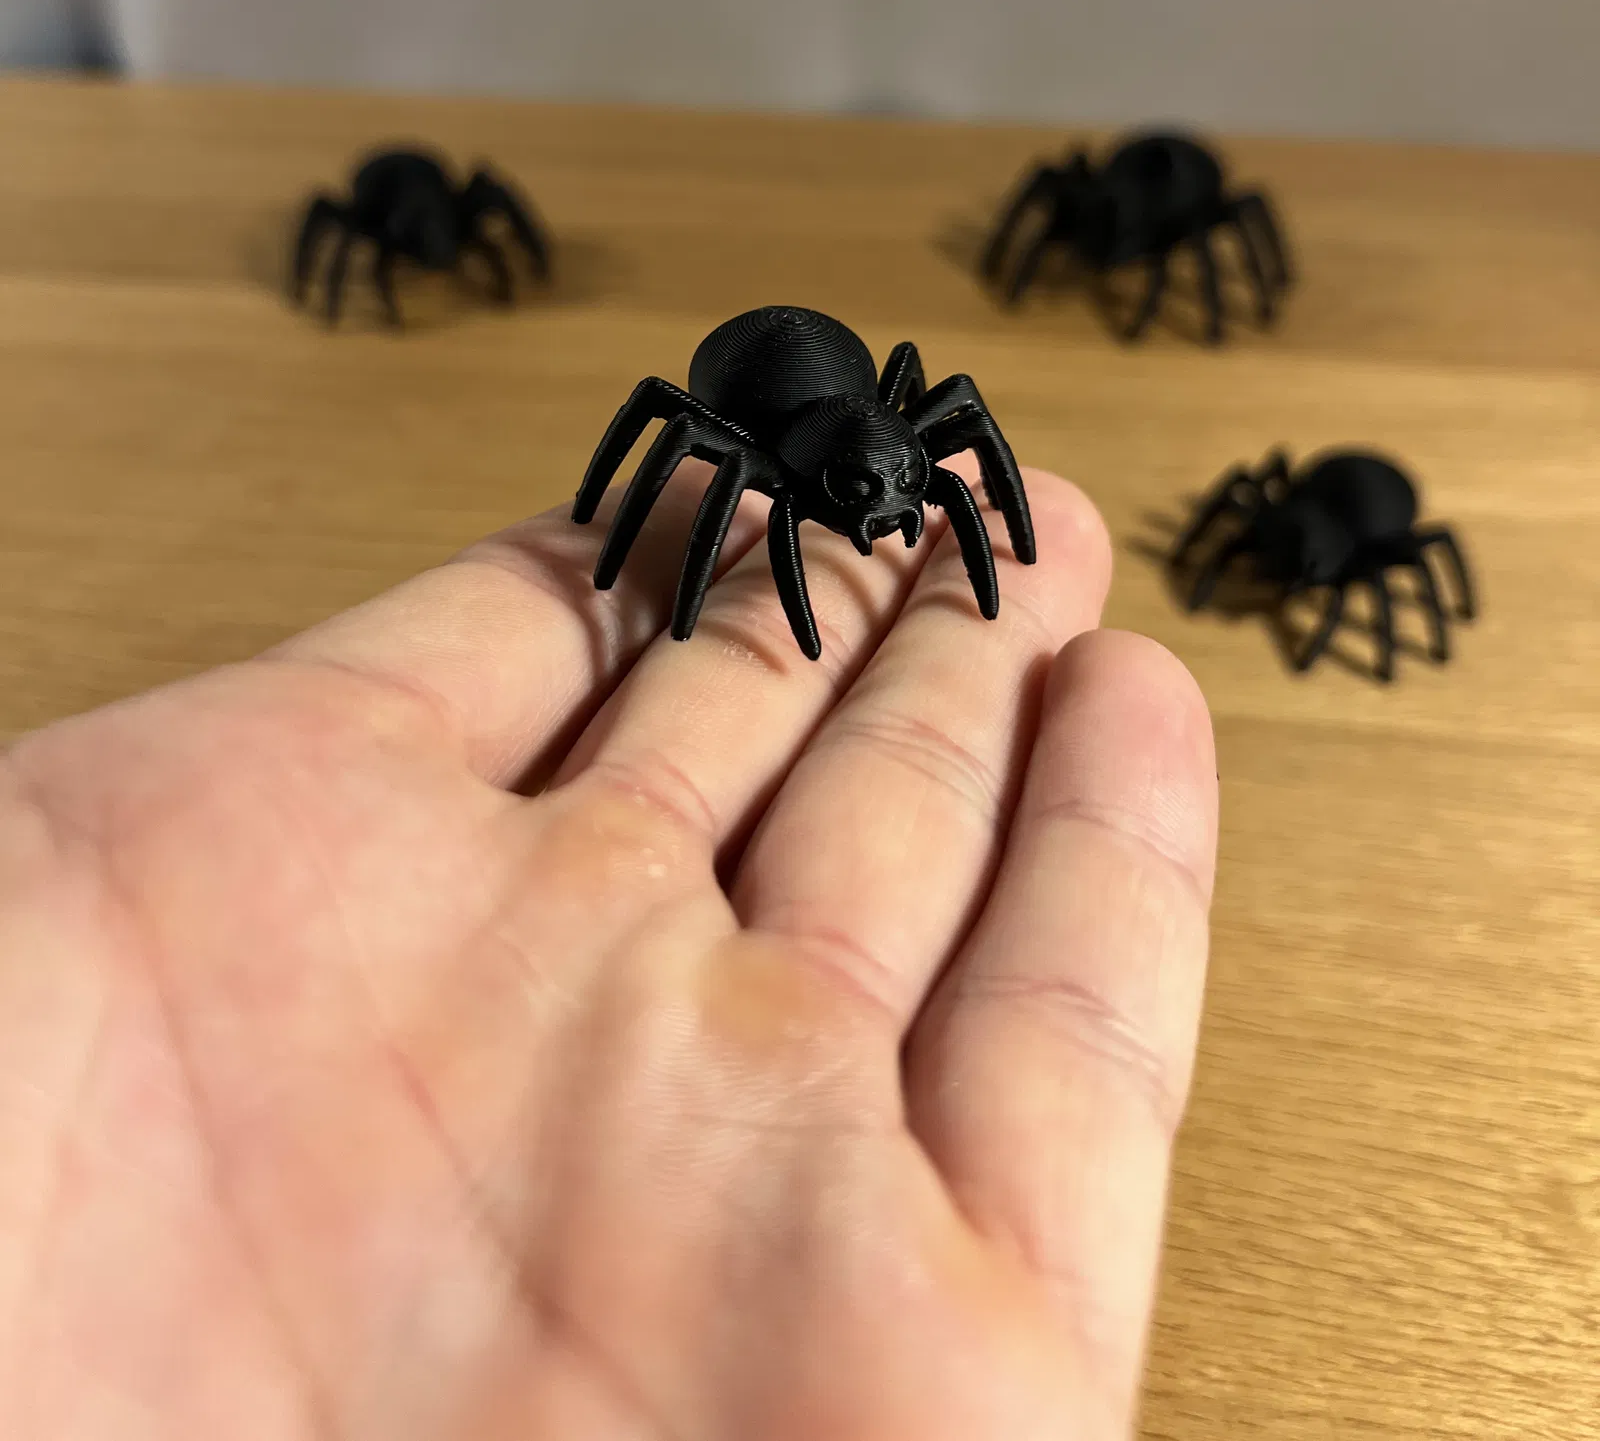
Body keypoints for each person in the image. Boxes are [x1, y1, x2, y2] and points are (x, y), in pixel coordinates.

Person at [0, 464, 1215, 1438]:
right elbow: (706, 452)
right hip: (784, 404)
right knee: (716, 463)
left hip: (841, 423)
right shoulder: (766, 466)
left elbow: (929, 475)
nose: (889, 518)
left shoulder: (905, 454)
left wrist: (945, 505)